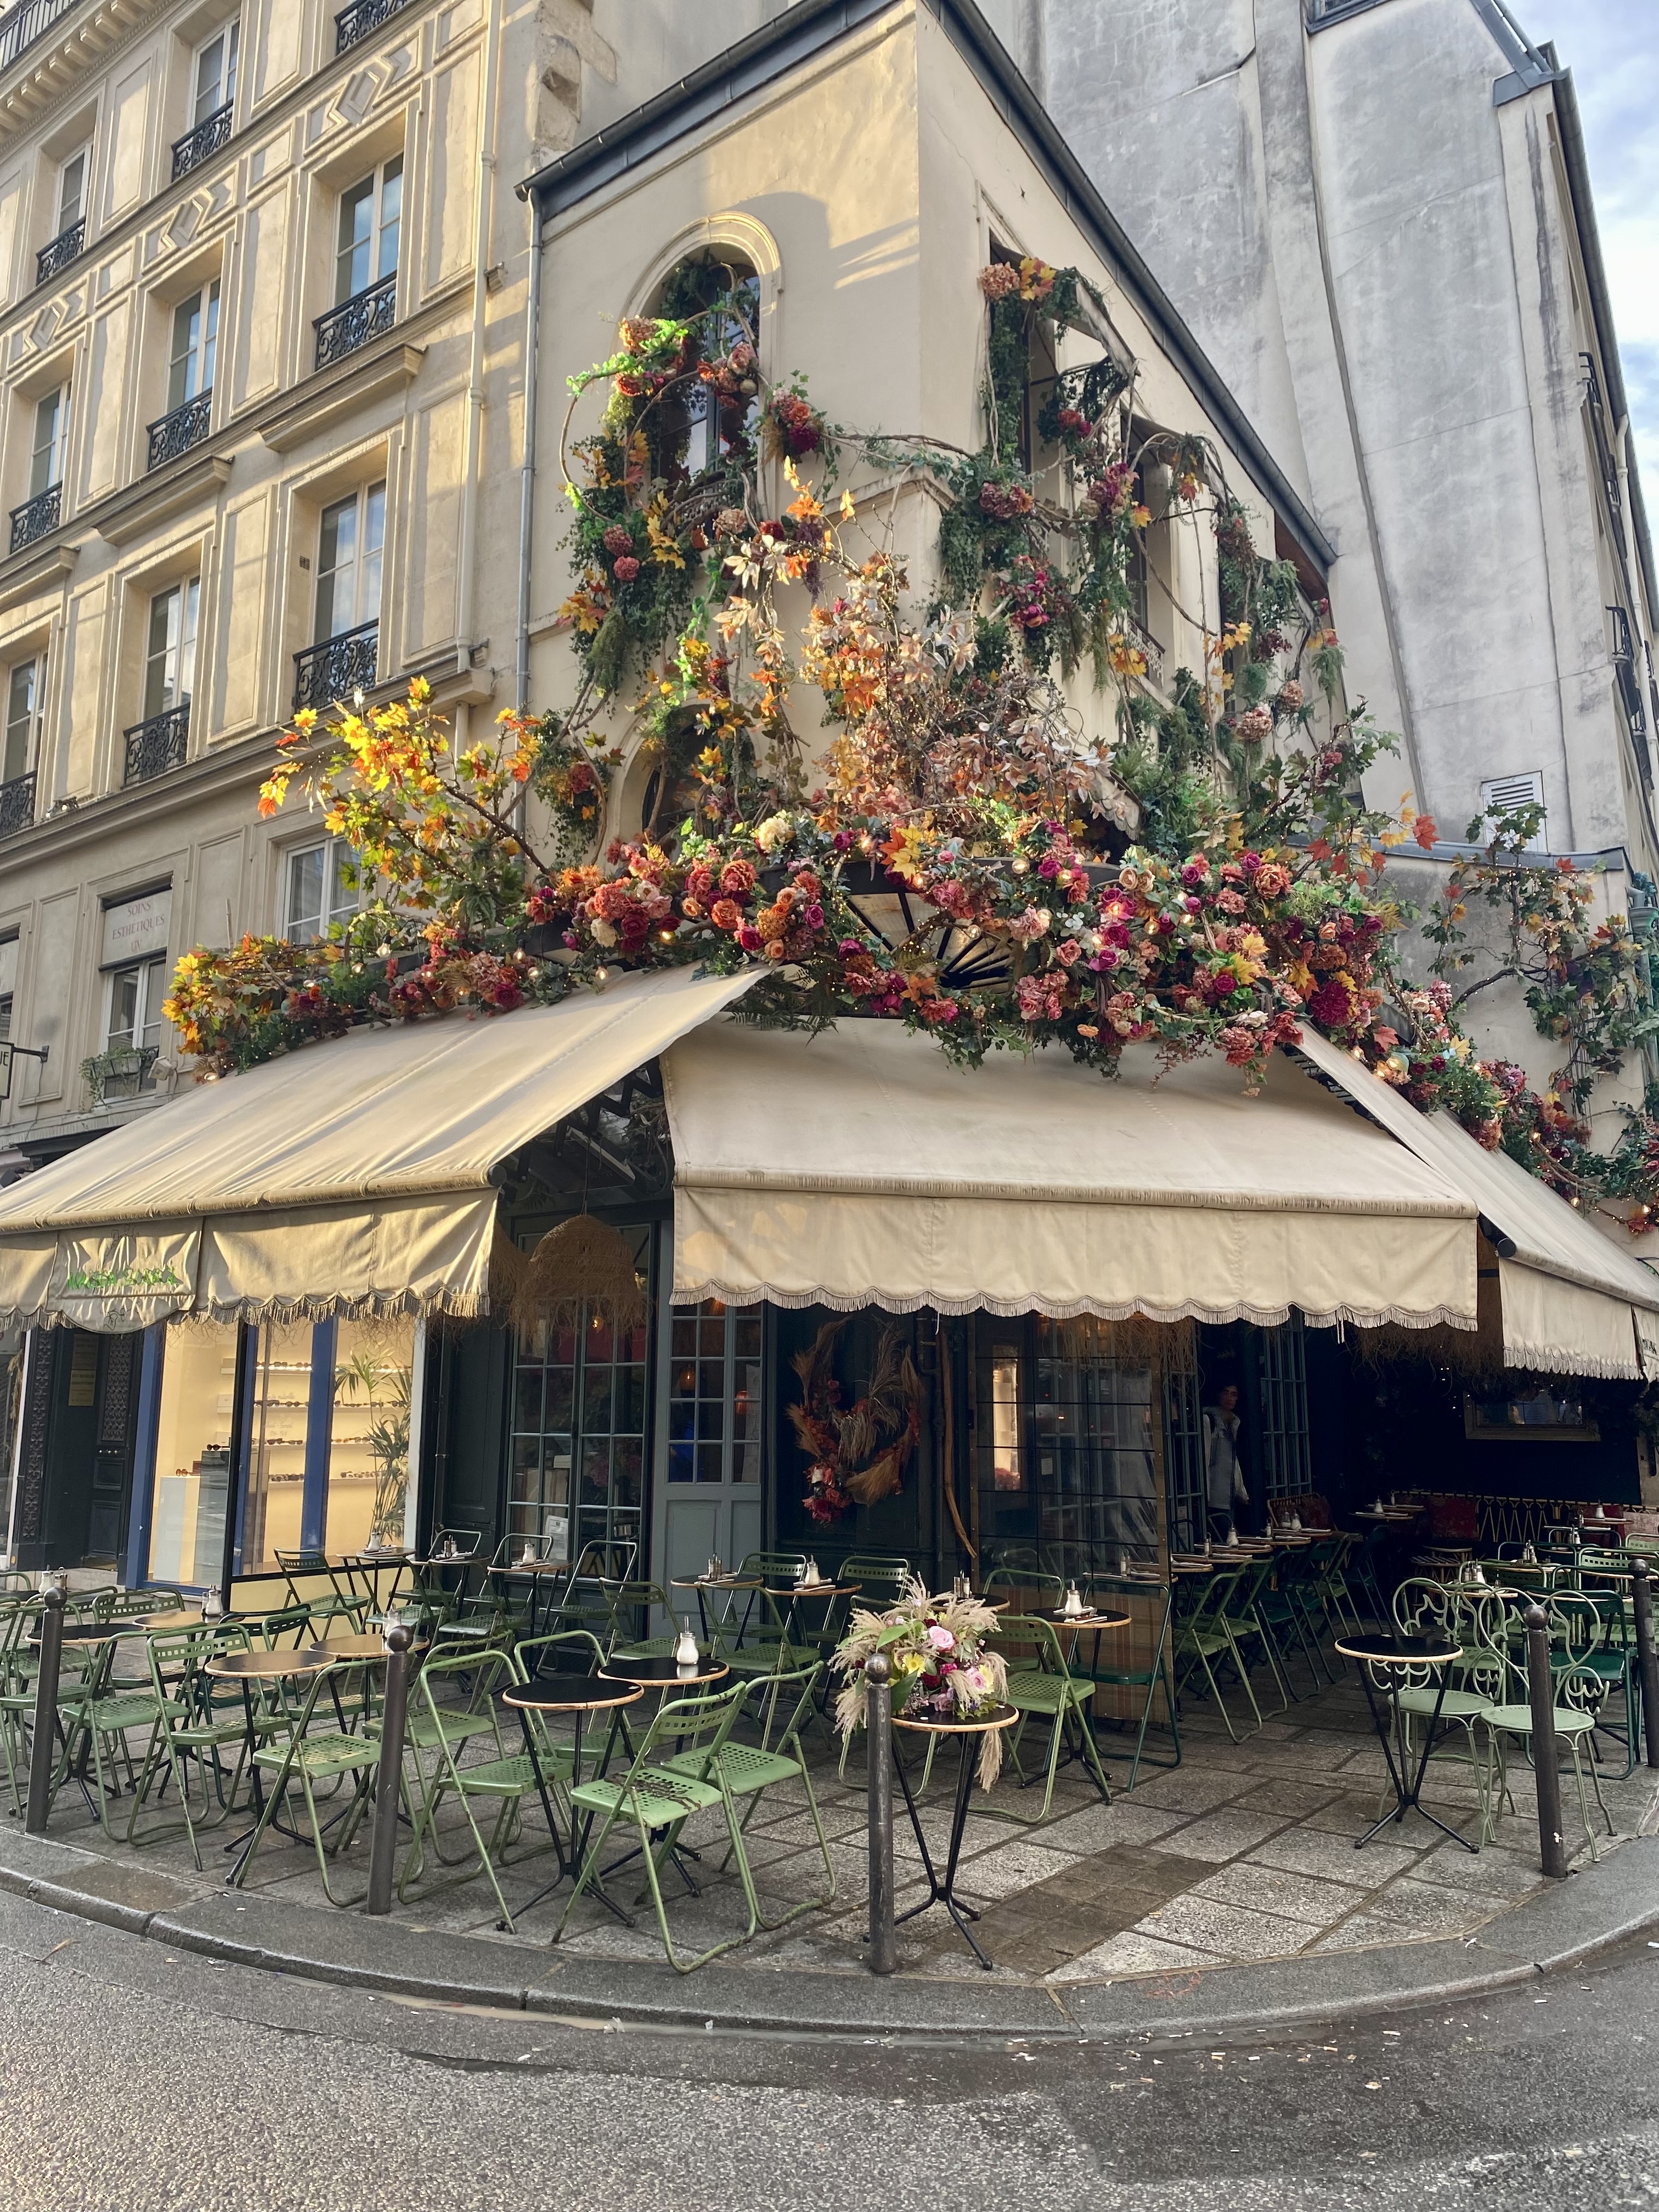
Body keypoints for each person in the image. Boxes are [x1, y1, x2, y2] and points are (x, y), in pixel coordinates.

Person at [1203, 1378, 1248, 1541]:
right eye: (1226, 1393)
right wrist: (1205, 1491)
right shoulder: (1210, 1420)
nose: (1230, 1398)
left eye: (1234, 1395)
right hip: (1214, 1494)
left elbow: (1232, 1460)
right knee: (1226, 1537)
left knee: (1228, 1538)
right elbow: (1206, 1457)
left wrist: (1240, 1489)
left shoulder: (1233, 1422)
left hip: (1229, 1495)